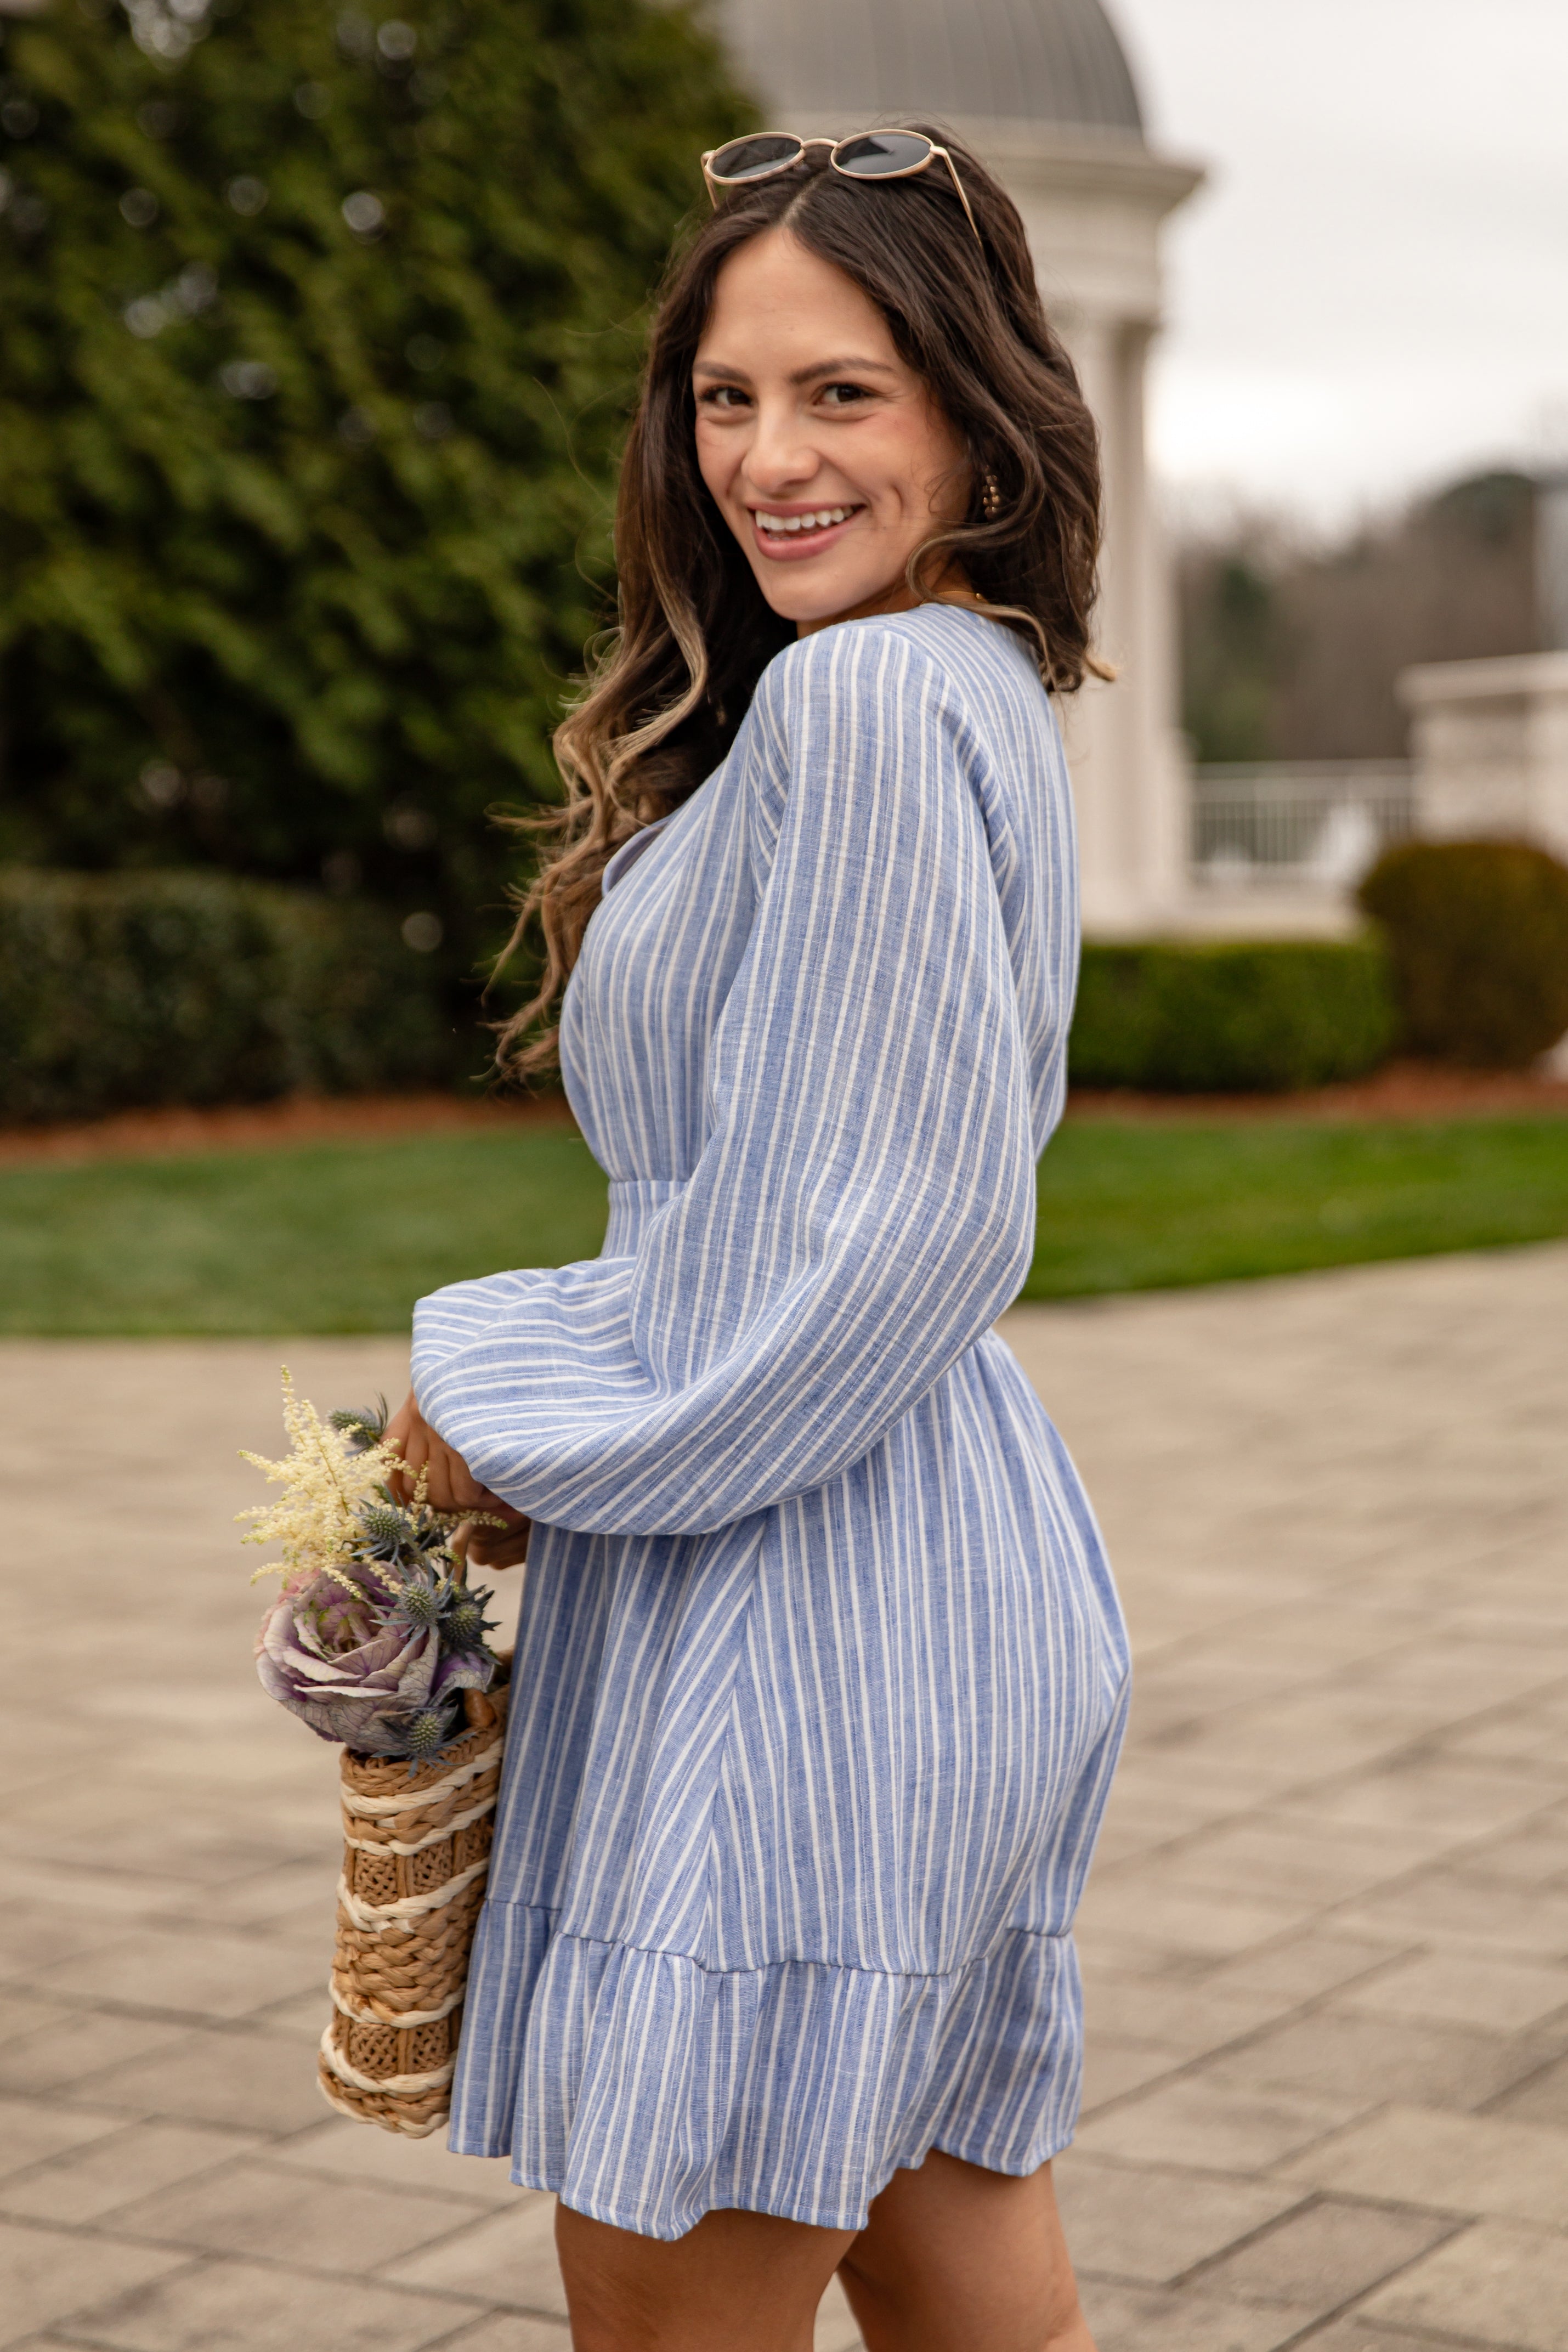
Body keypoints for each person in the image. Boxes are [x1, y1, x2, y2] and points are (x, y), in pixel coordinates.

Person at [386, 123, 1128, 2352]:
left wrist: (493, 1408)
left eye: (843, 393)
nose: (767, 458)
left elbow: (882, 1234)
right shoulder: (949, 675)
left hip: (802, 1618)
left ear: (974, 413)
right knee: (945, 2244)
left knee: (667, 2292)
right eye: (727, 396)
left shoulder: (878, 698)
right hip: (901, 1568)